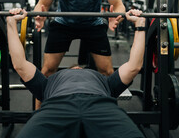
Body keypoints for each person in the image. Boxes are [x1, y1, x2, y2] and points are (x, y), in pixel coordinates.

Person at [7, 8, 146, 138]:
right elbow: (19, 65)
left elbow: (134, 66)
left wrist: (140, 25)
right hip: (62, 107)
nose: (78, 68)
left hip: (96, 106)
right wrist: (11, 23)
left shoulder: (104, 82)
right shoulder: (50, 82)